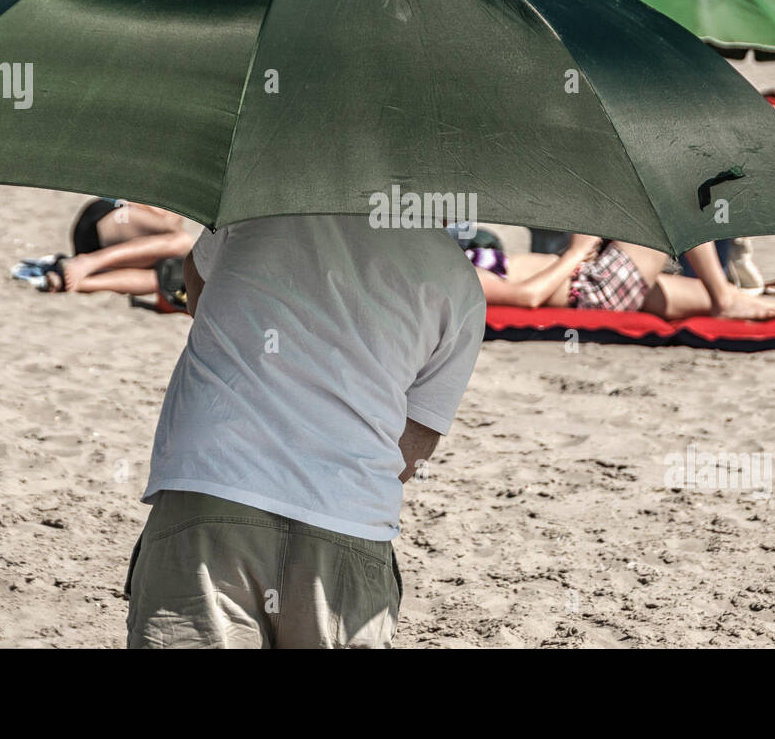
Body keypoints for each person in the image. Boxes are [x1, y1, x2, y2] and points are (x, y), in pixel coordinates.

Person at [126, 216, 485, 648]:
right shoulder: (458, 281)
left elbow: (195, 282)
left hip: (211, 485)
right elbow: (412, 447)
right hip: (347, 518)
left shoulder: (253, 210)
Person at [470, 235, 775, 321]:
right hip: (592, 289)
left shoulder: (448, 261)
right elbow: (525, 298)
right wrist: (578, 252)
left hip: (598, 284)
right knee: (668, 213)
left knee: (711, 300)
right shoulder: (454, 273)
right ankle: (726, 294)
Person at [41, 200, 194, 295]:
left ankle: (76, 282)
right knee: (182, 240)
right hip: (108, 218)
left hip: (119, 244)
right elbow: (169, 222)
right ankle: (88, 262)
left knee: (171, 277)